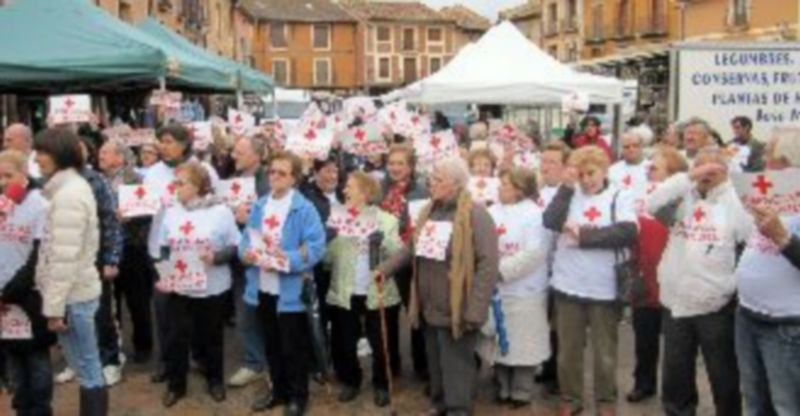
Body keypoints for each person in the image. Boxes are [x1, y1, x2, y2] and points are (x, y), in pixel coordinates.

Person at [377, 156, 498, 416]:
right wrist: (385, 270)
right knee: (436, 361)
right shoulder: (428, 211)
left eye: (438, 179)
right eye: (432, 177)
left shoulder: (476, 215)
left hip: (459, 307)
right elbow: (412, 248)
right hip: (430, 304)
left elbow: (488, 266)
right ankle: (440, 403)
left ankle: (458, 409)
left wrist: (476, 310)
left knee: (457, 365)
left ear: (455, 184)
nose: (431, 182)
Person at [647, 146, 751, 416]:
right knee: (676, 372)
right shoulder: (682, 199)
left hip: (714, 306)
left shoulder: (735, 201)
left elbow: (748, 239)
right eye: (701, 167)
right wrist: (688, 177)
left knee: (722, 374)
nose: (706, 173)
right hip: (676, 301)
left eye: (713, 168)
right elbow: (652, 204)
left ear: (725, 171)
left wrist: (727, 289)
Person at [543, 145, 638, 416]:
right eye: (581, 174)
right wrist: (566, 186)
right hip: (568, 283)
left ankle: (606, 401)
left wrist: (584, 237)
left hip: (604, 287)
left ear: (604, 170)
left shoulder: (619, 195)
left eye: (591, 173)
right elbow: (550, 220)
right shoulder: (568, 194)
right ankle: (571, 399)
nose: (586, 179)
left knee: (604, 353)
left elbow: (627, 231)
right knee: (568, 351)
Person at [241, 151, 326, 416]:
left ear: (294, 179)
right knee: (272, 344)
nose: (275, 177)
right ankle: (278, 392)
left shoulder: (304, 209)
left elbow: (315, 247)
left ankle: (298, 397)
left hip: (290, 290)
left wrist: (284, 259)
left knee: (293, 347)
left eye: (282, 173)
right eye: (272, 172)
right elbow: (247, 238)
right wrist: (246, 253)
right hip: (263, 286)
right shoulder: (260, 205)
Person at [33, 127, 107, 415]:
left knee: (88, 367)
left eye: (42, 153)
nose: (37, 159)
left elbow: (64, 258)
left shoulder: (68, 195)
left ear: (58, 154)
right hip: (73, 293)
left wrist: (53, 308)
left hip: (73, 295)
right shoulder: (67, 189)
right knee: (86, 366)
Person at [155, 162, 240, 407]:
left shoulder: (220, 212)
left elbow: (235, 245)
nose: (176, 188)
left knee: (211, 336)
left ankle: (215, 380)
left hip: (212, 286)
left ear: (198, 186)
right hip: (180, 287)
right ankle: (175, 385)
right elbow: (163, 247)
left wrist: (215, 257)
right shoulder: (172, 211)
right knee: (176, 337)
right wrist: (164, 273)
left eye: (181, 183)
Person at [144, 123, 219, 384]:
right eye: (160, 141)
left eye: (168, 140)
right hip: (162, 251)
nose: (162, 146)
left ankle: (201, 358)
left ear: (184, 143)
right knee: (165, 311)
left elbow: (216, 203)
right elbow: (144, 206)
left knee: (198, 311)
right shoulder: (152, 173)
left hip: (196, 251)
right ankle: (169, 362)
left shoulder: (204, 169)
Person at [323, 171, 403, 408]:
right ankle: (350, 381)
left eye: (350, 187)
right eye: (345, 187)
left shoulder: (386, 220)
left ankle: (381, 384)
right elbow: (327, 262)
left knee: (381, 342)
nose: (345, 191)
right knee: (345, 340)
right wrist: (328, 239)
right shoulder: (337, 219)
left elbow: (399, 254)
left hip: (377, 291)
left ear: (367, 193)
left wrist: (383, 241)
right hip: (345, 290)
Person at [734, 134, 800, 415]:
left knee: (785, 405)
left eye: (771, 158)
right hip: (748, 314)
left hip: (785, 325)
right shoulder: (772, 193)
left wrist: (782, 236)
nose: (765, 164)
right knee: (754, 401)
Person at [626, 146, 687, 404]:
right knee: (644, 339)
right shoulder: (639, 193)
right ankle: (644, 383)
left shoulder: (684, 199)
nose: (649, 169)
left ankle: (677, 393)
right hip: (645, 276)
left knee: (677, 346)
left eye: (655, 167)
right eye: (649, 166)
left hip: (674, 279)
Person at [487, 168, 551, 407]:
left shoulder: (535, 215)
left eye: (504, 184)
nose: (499, 187)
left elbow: (534, 252)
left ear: (519, 189)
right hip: (496, 290)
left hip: (525, 290)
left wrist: (501, 271)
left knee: (523, 343)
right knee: (499, 341)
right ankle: (503, 387)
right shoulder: (491, 211)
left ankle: (521, 391)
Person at [0, 149, 57, 415]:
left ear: (23, 175)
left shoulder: (40, 204)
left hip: (30, 294)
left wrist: (14, 290)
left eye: (8, 175)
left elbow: (39, 254)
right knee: (13, 357)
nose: (2, 181)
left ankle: (40, 409)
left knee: (36, 358)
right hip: (2, 296)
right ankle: (21, 407)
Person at [98, 140, 154, 365]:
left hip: (132, 248)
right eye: (100, 151)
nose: (99, 155)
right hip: (108, 248)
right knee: (111, 300)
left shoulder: (136, 179)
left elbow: (149, 212)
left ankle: (143, 346)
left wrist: (133, 216)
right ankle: (114, 345)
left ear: (119, 158)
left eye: (105, 152)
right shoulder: (98, 180)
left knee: (137, 300)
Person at [379, 145, 429, 380]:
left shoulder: (421, 191)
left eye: (400, 163)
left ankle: (422, 364)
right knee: (387, 313)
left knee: (415, 312)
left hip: (411, 259)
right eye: (391, 163)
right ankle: (392, 365)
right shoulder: (381, 189)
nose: (395, 168)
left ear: (410, 167)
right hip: (386, 258)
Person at [227, 134, 270, 388]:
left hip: (262, 260)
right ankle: (254, 361)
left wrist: (248, 221)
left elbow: (273, 222)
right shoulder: (234, 181)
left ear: (256, 155)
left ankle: (265, 362)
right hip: (240, 259)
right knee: (245, 315)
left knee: (264, 314)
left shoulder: (267, 182)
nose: (234, 156)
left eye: (240, 152)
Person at [534, 140, 570, 392]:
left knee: (560, 326)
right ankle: (547, 367)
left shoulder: (569, 193)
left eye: (552, 162)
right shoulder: (537, 191)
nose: (545, 167)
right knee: (543, 322)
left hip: (561, 268)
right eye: (543, 161)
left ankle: (560, 375)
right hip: (538, 268)